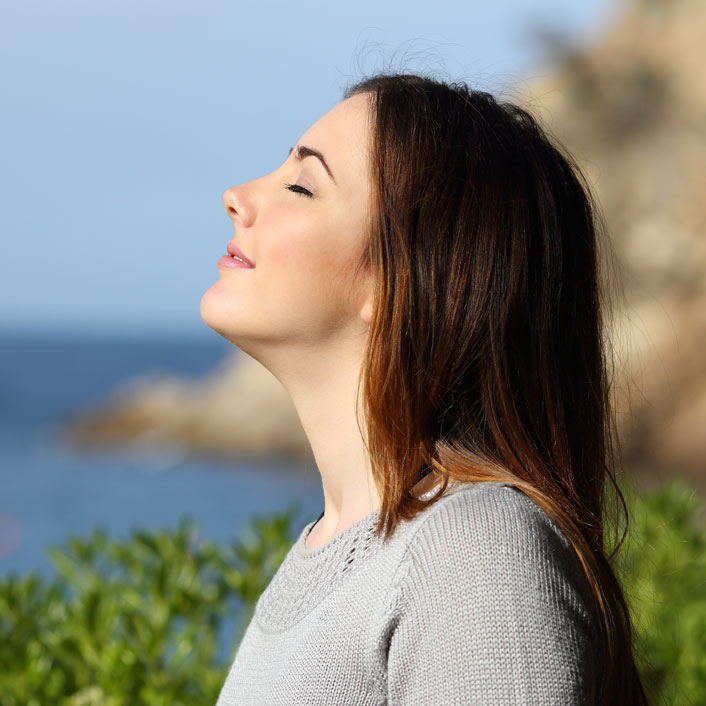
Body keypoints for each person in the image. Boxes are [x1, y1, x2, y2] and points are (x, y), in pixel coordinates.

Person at [200, 72, 649, 705]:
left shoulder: (475, 555)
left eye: (301, 185)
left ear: (405, 281)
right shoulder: (341, 550)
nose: (237, 196)